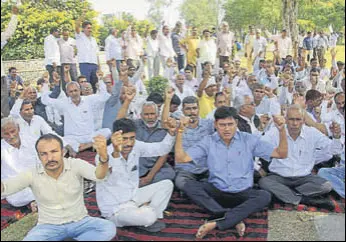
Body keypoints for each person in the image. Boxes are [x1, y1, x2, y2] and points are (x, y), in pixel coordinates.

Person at [175, 106, 288, 239]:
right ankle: (233, 218)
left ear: (236, 123)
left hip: (242, 193)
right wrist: (180, 130)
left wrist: (281, 130)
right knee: (189, 186)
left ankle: (218, 221)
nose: (227, 129)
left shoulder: (248, 140)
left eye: (230, 124)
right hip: (216, 191)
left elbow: (281, 153)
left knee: (264, 196)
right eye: (222, 125)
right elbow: (181, 158)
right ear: (215, 124)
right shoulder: (208, 141)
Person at [1, 133, 116, 241]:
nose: (50, 158)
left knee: (108, 228)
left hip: (80, 221)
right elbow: (6, 188)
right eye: (44, 154)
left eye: (54, 152)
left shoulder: (75, 164)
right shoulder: (32, 173)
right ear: (38, 156)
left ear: (62, 151)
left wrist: (103, 158)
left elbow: (99, 176)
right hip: (48, 227)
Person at [96, 118, 176, 232]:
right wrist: (116, 151)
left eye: (132, 138)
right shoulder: (104, 155)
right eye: (124, 139)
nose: (129, 143)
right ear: (115, 137)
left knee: (167, 184)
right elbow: (103, 173)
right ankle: (146, 216)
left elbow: (161, 149)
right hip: (115, 209)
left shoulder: (136, 146)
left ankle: (145, 215)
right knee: (148, 216)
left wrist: (171, 133)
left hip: (133, 197)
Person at [259, 104, 344, 210]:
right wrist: (259, 167)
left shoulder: (312, 133)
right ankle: (306, 200)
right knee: (264, 182)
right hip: (279, 177)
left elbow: (334, 150)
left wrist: (336, 137)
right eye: (291, 119)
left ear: (303, 120)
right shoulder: (275, 132)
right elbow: (259, 147)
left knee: (326, 186)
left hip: (304, 178)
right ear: (286, 119)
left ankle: (285, 196)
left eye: (298, 119)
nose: (295, 123)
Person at [116, 93, 176, 186]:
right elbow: (119, 122)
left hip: (156, 167)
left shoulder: (165, 128)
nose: (150, 117)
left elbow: (163, 155)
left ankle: (140, 186)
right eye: (147, 114)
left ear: (157, 114)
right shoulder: (134, 125)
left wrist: (149, 177)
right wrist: (127, 101)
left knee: (170, 174)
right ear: (141, 115)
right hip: (137, 164)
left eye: (152, 114)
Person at [41, 81, 111, 153]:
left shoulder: (89, 100)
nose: (74, 93)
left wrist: (100, 81)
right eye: (71, 91)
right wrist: (46, 85)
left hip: (90, 136)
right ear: (67, 93)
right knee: (62, 140)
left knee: (107, 132)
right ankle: (90, 145)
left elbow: (105, 96)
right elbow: (45, 100)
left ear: (80, 90)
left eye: (75, 90)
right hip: (74, 138)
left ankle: (83, 146)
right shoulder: (63, 103)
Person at [170, 96, 215, 192]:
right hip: (185, 170)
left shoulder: (209, 124)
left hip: (206, 168)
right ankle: (198, 190)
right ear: (182, 110)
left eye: (194, 108)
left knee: (217, 182)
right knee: (180, 183)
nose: (192, 112)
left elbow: (225, 120)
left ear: (199, 109)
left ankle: (194, 191)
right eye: (188, 109)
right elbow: (165, 122)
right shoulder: (177, 126)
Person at [1, 117, 37, 208]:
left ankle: (35, 202)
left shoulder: (31, 141)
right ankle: (35, 202)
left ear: (19, 129)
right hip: (15, 186)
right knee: (15, 197)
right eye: (6, 134)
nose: (11, 136)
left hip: (36, 179)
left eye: (13, 131)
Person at [75, 20, 99, 93]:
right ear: (83, 29)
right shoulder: (80, 36)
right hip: (85, 63)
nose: (90, 30)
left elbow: (96, 53)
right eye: (88, 28)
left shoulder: (94, 39)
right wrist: (83, 15)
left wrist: (99, 67)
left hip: (94, 64)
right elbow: (76, 25)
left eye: (90, 28)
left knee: (95, 84)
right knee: (85, 84)